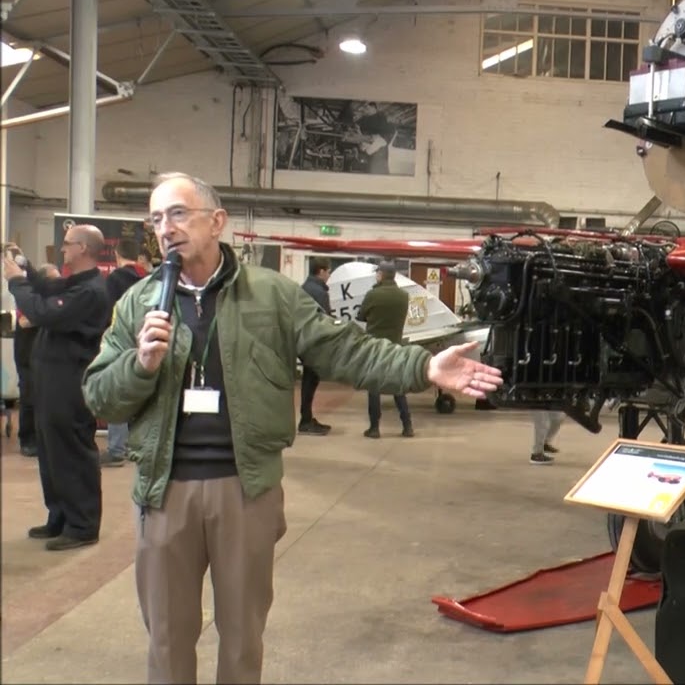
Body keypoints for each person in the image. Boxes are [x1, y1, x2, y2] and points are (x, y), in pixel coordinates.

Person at [81, 172, 502, 685]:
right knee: (167, 639)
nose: (165, 228)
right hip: (163, 493)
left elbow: (345, 349)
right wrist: (140, 364)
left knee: (242, 639)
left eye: (177, 213)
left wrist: (424, 367)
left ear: (217, 222)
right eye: (155, 218)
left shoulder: (272, 296)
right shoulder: (138, 303)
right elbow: (99, 394)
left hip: (246, 490)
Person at [4, 231, 113, 551]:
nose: (62, 248)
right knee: (50, 451)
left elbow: (44, 312)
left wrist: (16, 282)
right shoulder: (76, 283)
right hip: (50, 379)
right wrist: (25, 267)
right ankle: (60, 515)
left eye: (66, 244)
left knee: (71, 452)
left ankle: (82, 524)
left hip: (70, 381)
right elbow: (50, 287)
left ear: (81, 248)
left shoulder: (91, 291)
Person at [101, 239, 153, 467]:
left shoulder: (114, 280)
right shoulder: (147, 279)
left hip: (121, 341)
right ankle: (137, 445)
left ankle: (116, 449)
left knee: (119, 391)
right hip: (145, 341)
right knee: (141, 393)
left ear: (116, 255)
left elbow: (105, 310)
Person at [357, 260, 414, 438]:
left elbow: (361, 316)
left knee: (374, 388)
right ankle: (407, 426)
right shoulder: (403, 295)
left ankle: (374, 428)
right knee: (398, 387)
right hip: (395, 347)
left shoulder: (373, 295)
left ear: (381, 275)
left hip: (375, 347)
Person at [12, 263, 61, 459]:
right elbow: (24, 321)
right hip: (26, 353)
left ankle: (44, 439)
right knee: (29, 396)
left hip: (46, 354)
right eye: (54, 279)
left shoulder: (53, 298)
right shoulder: (30, 297)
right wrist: (47, 315)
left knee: (46, 397)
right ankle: (27, 439)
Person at [298, 257, 332, 435]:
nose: (329, 275)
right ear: (321, 271)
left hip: (304, 340)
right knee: (310, 382)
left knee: (309, 381)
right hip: (314, 342)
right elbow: (325, 319)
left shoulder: (304, 288)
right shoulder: (319, 292)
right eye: (328, 271)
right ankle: (305, 421)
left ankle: (307, 417)